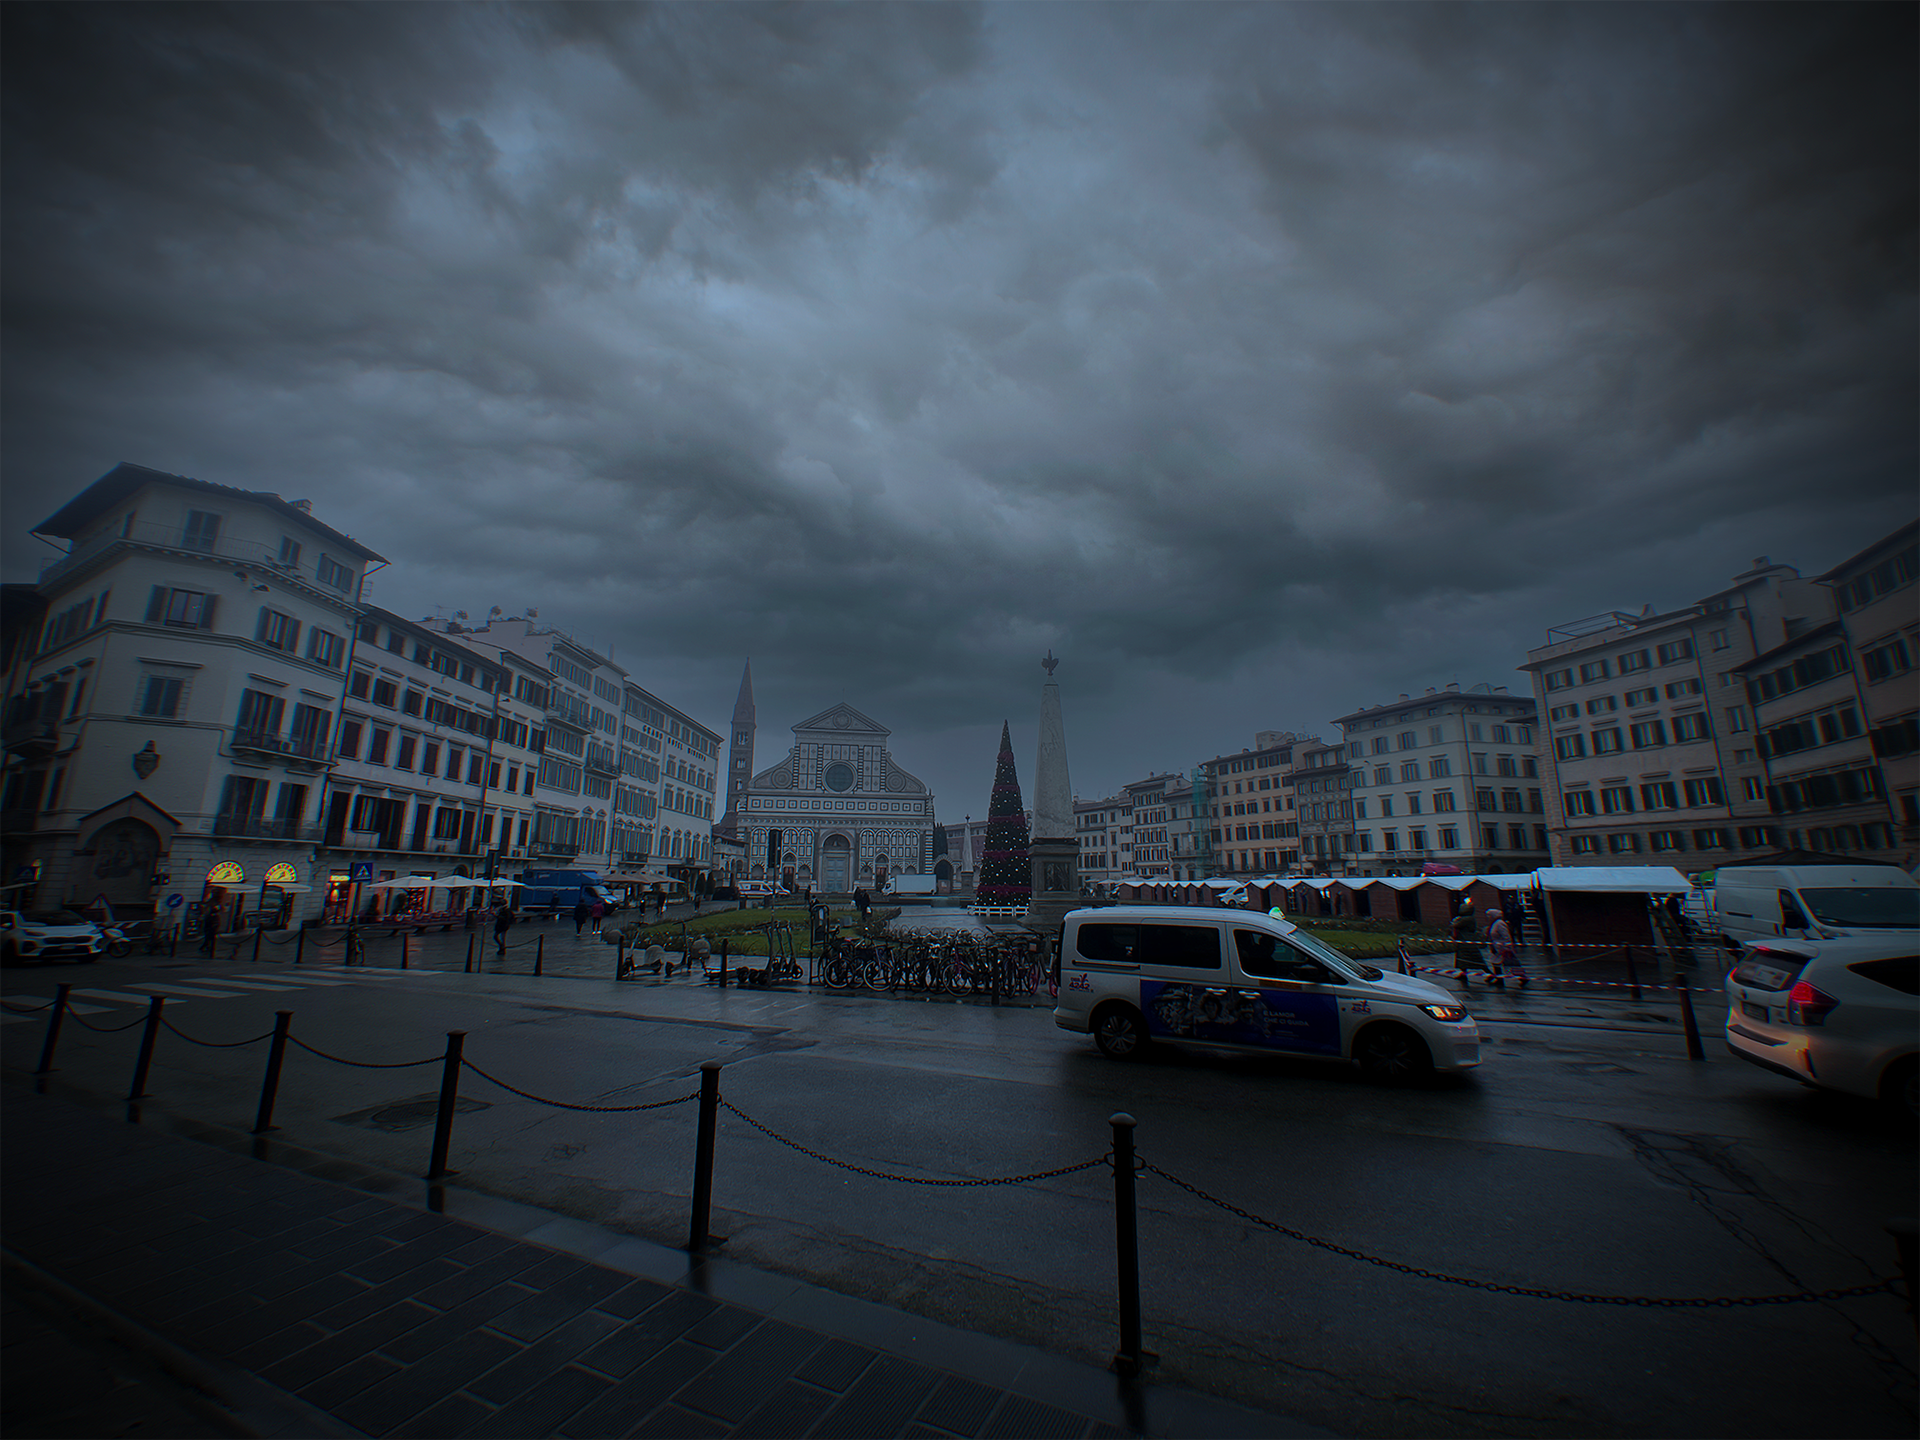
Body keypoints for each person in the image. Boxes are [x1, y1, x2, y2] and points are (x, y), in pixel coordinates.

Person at [1484, 908, 1525, 987]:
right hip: (1496, 948)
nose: (1488, 917)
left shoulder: (1499, 923)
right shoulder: (1494, 924)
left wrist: (1506, 947)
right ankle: (1499, 979)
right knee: (1495, 963)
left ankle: (1523, 978)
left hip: (1502, 948)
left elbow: (1506, 936)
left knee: (1511, 964)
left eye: (1489, 916)